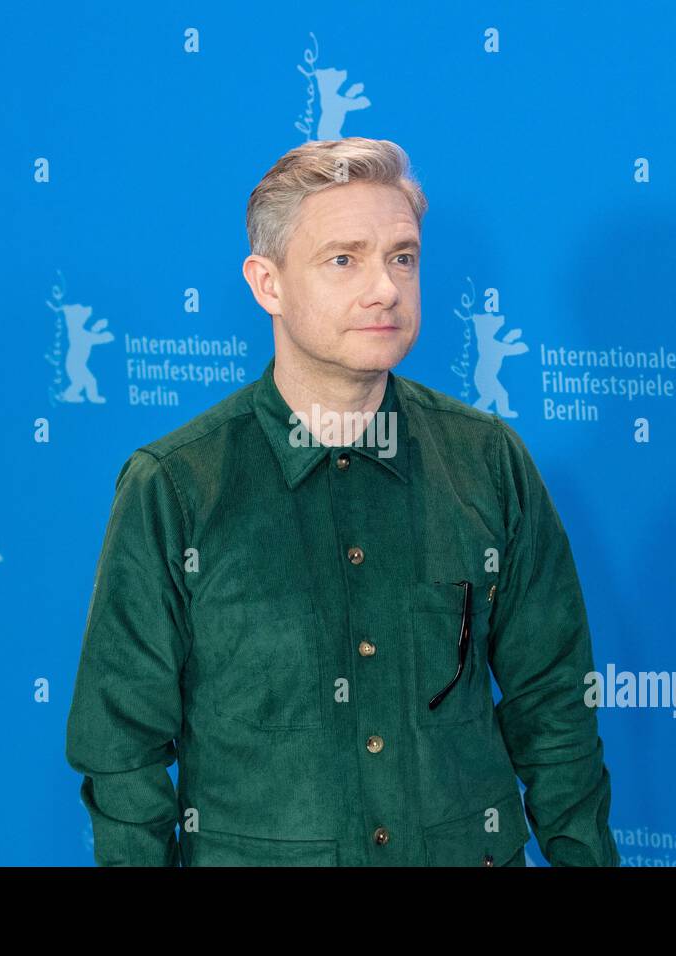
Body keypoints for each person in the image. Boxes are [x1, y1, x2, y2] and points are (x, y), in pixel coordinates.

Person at [65, 137, 618, 867]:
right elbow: (122, 750)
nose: (385, 287)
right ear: (268, 284)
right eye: (344, 259)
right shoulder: (174, 488)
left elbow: (555, 712)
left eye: (403, 257)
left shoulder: (488, 461)